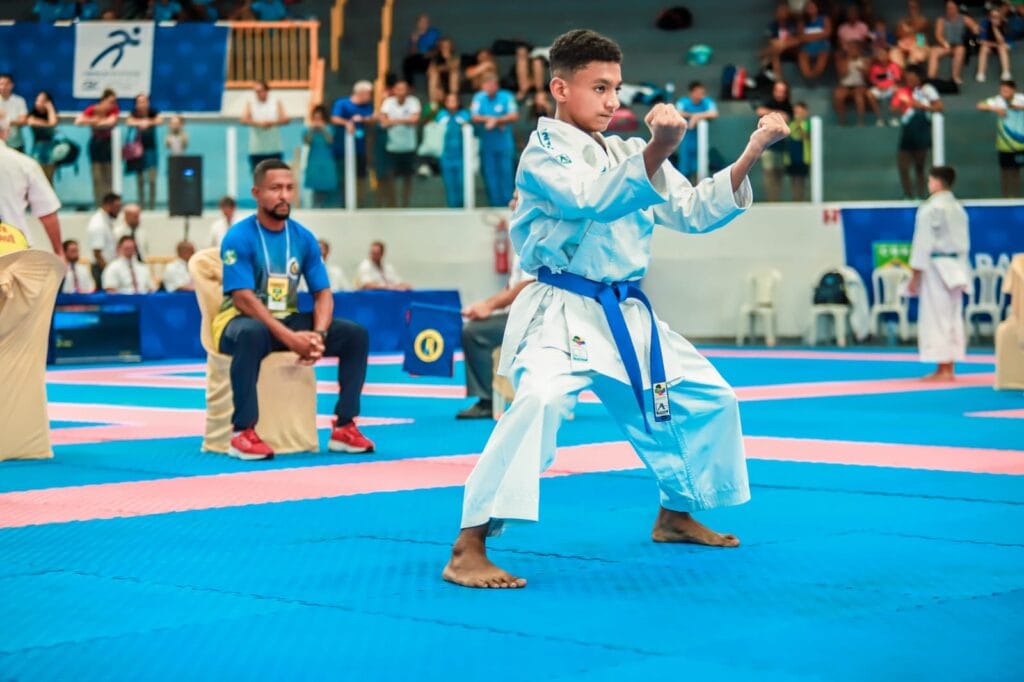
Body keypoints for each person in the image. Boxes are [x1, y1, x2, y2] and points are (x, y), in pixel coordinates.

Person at [441, 28, 789, 589]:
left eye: (617, 89)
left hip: (625, 312)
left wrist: (751, 152)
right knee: (540, 402)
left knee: (710, 398)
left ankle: (675, 511)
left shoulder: (628, 151)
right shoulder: (543, 154)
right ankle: (469, 542)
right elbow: (591, 199)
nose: (612, 101)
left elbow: (695, 211)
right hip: (561, 309)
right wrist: (659, 149)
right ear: (560, 88)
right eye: (599, 88)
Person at [214, 159, 374, 460]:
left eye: (289, 188)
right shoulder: (238, 236)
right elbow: (243, 300)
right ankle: (243, 432)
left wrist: (318, 335)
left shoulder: (303, 238)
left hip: (285, 320)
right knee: (251, 333)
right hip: (239, 322)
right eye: (275, 188)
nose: (284, 196)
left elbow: (323, 294)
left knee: (355, 335)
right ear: (257, 193)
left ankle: (344, 425)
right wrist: (291, 339)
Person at [457, 217, 532, 419]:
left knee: (473, 332)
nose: (511, 202)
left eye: (517, 198)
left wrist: (489, 306)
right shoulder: (521, 236)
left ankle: (487, 400)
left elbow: (528, 285)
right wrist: (485, 308)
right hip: (520, 314)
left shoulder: (536, 234)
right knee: (478, 324)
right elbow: (511, 287)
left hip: (535, 318)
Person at [907, 166, 969, 381]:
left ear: (935, 182)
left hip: (935, 267)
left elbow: (922, 243)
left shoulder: (930, 208)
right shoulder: (958, 208)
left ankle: (943, 368)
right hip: (957, 267)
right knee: (952, 316)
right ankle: (948, 366)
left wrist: (915, 275)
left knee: (936, 316)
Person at [0, 109, 63, 256]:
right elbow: (47, 210)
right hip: (14, 247)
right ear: (7, 131)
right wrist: (59, 251)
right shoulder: (25, 164)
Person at [894, 68, 942, 200]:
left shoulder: (927, 91)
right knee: (902, 166)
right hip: (907, 133)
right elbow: (893, 108)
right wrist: (902, 104)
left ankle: (921, 195)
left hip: (922, 131)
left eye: (912, 77)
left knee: (919, 167)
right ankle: (907, 195)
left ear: (918, 78)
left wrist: (921, 106)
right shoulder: (903, 91)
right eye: (907, 78)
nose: (909, 80)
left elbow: (940, 107)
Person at [472, 74, 518, 207]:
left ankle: (508, 205)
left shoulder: (507, 96)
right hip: (487, 145)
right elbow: (474, 116)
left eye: (491, 85)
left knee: (506, 174)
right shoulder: (479, 98)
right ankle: (495, 204)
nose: (488, 87)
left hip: (504, 144)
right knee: (490, 175)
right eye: (485, 85)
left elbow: (514, 115)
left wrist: (496, 121)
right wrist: (493, 119)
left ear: (496, 86)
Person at [330, 81, 374, 208]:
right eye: (369, 94)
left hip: (360, 149)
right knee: (342, 177)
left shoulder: (367, 106)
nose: (370, 97)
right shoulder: (342, 103)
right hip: (342, 148)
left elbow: (372, 117)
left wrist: (363, 119)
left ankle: (359, 202)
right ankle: (342, 203)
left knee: (360, 176)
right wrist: (347, 123)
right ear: (361, 93)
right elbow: (334, 118)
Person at [977, 80, 1024, 198]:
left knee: (1016, 172)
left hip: (1020, 144)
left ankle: (1016, 197)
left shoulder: (1021, 99)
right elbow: (980, 105)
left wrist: (1020, 107)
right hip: (1004, 145)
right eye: (1002, 90)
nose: (1004, 93)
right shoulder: (997, 101)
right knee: (1005, 173)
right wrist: (995, 109)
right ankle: (1006, 197)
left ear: (1013, 90)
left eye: (1007, 91)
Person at [378, 80, 421, 208]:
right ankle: (393, 202)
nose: (401, 92)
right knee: (390, 176)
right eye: (398, 89)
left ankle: (405, 203)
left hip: (408, 146)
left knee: (408, 177)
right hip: (392, 146)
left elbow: (414, 120)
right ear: (394, 90)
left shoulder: (413, 102)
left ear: (408, 90)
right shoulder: (388, 103)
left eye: (404, 89)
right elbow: (384, 123)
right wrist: (404, 121)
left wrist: (394, 120)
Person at [75, 89, 120, 206]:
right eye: (110, 102)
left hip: (109, 145)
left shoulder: (114, 109)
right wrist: (94, 120)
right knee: (97, 177)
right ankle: (99, 204)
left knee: (109, 177)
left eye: (114, 102)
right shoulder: (93, 109)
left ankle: (110, 204)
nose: (113, 104)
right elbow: (78, 121)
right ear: (103, 100)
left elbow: (111, 122)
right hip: (96, 145)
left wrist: (95, 122)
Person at [755, 80, 794, 201]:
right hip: (768, 147)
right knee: (769, 174)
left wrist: (774, 115)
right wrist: (777, 114)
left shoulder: (788, 106)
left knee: (779, 175)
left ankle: (776, 200)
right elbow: (760, 111)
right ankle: (771, 200)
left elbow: (787, 117)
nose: (780, 94)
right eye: (778, 91)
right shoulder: (769, 103)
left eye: (783, 91)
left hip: (782, 147)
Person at [674, 81, 718, 181]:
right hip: (685, 141)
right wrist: (692, 116)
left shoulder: (707, 101)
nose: (700, 96)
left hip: (701, 142)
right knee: (684, 169)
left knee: (701, 167)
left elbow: (714, 113)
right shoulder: (683, 102)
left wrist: (697, 117)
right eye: (698, 92)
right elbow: (677, 112)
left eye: (702, 93)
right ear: (691, 92)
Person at [125, 93, 163, 210]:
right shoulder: (134, 114)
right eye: (139, 102)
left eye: (144, 101)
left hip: (151, 150)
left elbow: (159, 120)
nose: (142, 104)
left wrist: (148, 122)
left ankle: (152, 206)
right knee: (140, 180)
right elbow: (129, 121)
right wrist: (140, 122)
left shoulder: (153, 112)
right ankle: (141, 205)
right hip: (138, 152)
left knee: (152, 179)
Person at [241, 81, 289, 172]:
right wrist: (258, 123)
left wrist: (272, 123)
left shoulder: (275, 102)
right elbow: (243, 120)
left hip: (274, 148)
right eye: (256, 92)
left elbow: (285, 119)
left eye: (260, 91)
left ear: (267, 91)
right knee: (258, 179)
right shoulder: (251, 103)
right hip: (256, 149)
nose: (258, 94)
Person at [928, 0, 978, 85]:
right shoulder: (941, 20)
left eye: (952, 7)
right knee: (934, 51)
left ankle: (955, 77)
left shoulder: (964, 18)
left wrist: (975, 30)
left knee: (961, 50)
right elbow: (938, 35)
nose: (950, 10)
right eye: (948, 8)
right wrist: (944, 43)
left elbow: (975, 27)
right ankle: (931, 79)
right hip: (945, 45)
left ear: (956, 8)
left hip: (958, 46)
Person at [437, 92, 472, 208]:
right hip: (446, 156)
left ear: (458, 102)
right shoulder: (442, 114)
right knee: (450, 185)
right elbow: (438, 124)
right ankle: (452, 208)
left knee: (461, 184)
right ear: (445, 103)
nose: (451, 103)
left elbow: (466, 123)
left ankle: (463, 207)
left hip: (461, 156)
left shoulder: (463, 114)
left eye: (454, 101)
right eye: (449, 101)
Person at [303, 105, 338, 208]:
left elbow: (330, 140)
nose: (317, 120)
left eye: (319, 118)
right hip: (314, 159)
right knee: (315, 185)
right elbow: (307, 142)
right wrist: (311, 130)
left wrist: (324, 129)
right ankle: (316, 206)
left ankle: (328, 207)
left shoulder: (329, 128)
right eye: (315, 118)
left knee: (327, 183)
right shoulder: (308, 130)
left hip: (327, 159)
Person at [87, 192, 121, 283]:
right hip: (101, 268)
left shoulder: (107, 221)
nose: (119, 210)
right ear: (107, 205)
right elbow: (97, 253)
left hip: (109, 266)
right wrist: (108, 272)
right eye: (117, 207)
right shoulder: (98, 223)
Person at [797, 1, 832, 86]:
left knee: (823, 56)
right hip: (807, 47)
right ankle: (808, 77)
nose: (811, 8)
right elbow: (801, 37)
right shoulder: (802, 22)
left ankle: (814, 77)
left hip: (822, 46)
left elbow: (828, 33)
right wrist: (820, 35)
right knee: (802, 56)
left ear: (817, 8)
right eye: (808, 7)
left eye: (812, 6)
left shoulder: (824, 19)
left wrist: (809, 37)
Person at [26, 91, 58, 184]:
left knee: (49, 180)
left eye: (43, 101)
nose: (39, 103)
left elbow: (53, 122)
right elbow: (33, 122)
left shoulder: (51, 114)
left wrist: (50, 108)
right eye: (38, 100)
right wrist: (48, 125)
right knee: (36, 181)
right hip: (37, 150)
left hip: (50, 151)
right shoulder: (32, 115)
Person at [976, 7, 1013, 83]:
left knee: (1002, 48)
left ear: (1000, 17)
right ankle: (980, 73)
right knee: (984, 48)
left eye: (997, 17)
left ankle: (1006, 72)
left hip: (1004, 46)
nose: (995, 19)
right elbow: (982, 41)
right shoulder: (984, 23)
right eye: (993, 17)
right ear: (989, 17)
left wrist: (995, 28)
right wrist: (996, 45)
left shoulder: (1005, 24)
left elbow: (1002, 41)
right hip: (990, 46)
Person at [868, 47, 902, 127]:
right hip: (879, 89)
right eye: (880, 55)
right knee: (869, 94)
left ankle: (893, 118)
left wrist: (888, 86)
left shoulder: (894, 66)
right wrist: (879, 86)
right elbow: (874, 81)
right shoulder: (874, 67)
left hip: (891, 88)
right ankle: (880, 118)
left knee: (897, 90)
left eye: (884, 54)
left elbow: (897, 80)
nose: (882, 56)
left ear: (888, 55)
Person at [787, 101, 811, 201]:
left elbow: (806, 135)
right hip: (793, 156)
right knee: (794, 180)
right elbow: (789, 135)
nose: (798, 114)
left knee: (803, 180)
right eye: (796, 112)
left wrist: (800, 124)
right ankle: (796, 199)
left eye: (800, 112)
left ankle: (803, 199)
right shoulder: (791, 124)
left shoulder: (809, 124)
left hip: (804, 157)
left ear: (805, 112)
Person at [0, 73, 29, 153]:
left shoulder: (19, 101)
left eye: (6, 84)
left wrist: (6, 121)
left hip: (16, 144)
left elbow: (23, 121)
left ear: (11, 85)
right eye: (1, 84)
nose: (3, 87)